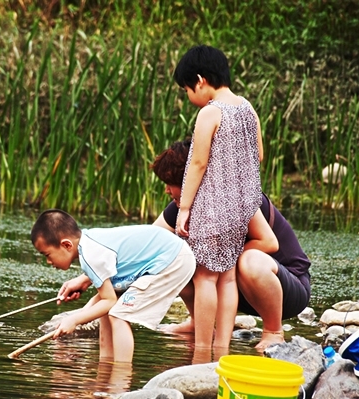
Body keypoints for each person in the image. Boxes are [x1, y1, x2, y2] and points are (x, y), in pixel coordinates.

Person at [152, 139, 311, 350]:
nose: (166, 190)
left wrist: (220, 256)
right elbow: (153, 237)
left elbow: (268, 242)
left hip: (286, 289)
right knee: (180, 257)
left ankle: (273, 331)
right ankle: (197, 323)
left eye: (171, 184)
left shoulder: (238, 197)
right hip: (241, 291)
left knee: (247, 260)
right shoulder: (182, 208)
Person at [172, 45, 263, 350]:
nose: (188, 95)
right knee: (227, 278)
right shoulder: (248, 108)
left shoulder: (210, 112)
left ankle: (201, 351)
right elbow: (259, 155)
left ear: (200, 80)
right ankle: (222, 348)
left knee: (204, 277)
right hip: (242, 207)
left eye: (186, 88)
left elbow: (197, 163)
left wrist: (185, 208)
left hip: (212, 208)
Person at [30, 209, 195, 363]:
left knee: (119, 315)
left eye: (47, 255)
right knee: (109, 310)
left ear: (66, 245)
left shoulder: (91, 255)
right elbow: (104, 300)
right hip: (172, 254)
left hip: (172, 260)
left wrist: (73, 320)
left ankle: (121, 377)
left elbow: (109, 301)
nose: (49, 262)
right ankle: (106, 363)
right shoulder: (89, 244)